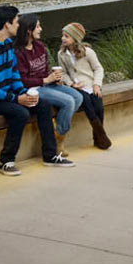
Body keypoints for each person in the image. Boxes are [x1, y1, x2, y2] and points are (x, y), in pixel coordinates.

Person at [0, 5, 64, 175]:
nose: (19, 25)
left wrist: (24, 92)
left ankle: (50, 155)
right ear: (7, 25)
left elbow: (15, 74)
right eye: (16, 22)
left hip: (9, 94)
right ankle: (6, 160)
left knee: (42, 104)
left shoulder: (9, 44)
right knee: (20, 113)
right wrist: (17, 99)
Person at [13, 14, 81, 165]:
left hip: (46, 84)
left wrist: (54, 77)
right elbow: (22, 80)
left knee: (77, 97)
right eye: (37, 26)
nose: (41, 29)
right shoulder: (18, 52)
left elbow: (44, 71)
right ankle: (59, 142)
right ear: (29, 30)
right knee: (68, 101)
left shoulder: (40, 46)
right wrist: (45, 80)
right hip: (32, 88)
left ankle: (58, 134)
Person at [56, 22, 111, 150]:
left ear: (75, 38)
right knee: (86, 102)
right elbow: (63, 73)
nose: (63, 38)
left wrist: (97, 85)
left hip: (91, 85)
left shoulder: (88, 52)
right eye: (62, 36)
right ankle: (102, 136)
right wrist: (71, 84)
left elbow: (98, 69)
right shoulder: (61, 54)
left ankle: (98, 138)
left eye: (66, 36)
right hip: (76, 87)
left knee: (99, 107)